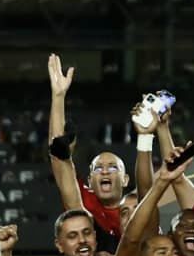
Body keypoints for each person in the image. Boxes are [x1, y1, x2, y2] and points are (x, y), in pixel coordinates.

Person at [46, 53, 131, 243]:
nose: (105, 171)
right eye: (98, 169)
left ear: (125, 180)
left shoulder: (135, 209)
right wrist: (58, 97)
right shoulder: (84, 200)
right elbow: (58, 156)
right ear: (90, 181)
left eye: (113, 167)